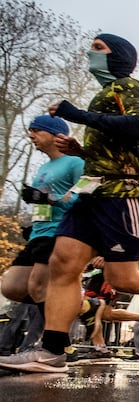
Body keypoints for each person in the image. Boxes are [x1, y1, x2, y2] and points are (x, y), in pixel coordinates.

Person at [0, 34, 139, 374]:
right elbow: (114, 152)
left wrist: (81, 116)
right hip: (93, 194)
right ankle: (52, 351)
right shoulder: (104, 94)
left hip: (125, 194)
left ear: (118, 57)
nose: (91, 53)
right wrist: (81, 151)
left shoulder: (129, 88)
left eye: (99, 48)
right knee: (63, 263)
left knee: (124, 278)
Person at [1, 116, 84, 350]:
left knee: (38, 287)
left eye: (37, 130)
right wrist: (31, 222)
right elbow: (42, 202)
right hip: (39, 232)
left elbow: (81, 199)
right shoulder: (43, 168)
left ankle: (59, 345)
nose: (31, 135)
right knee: (12, 286)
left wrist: (48, 198)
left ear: (56, 135)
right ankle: (70, 309)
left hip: (59, 233)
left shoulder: (74, 163)